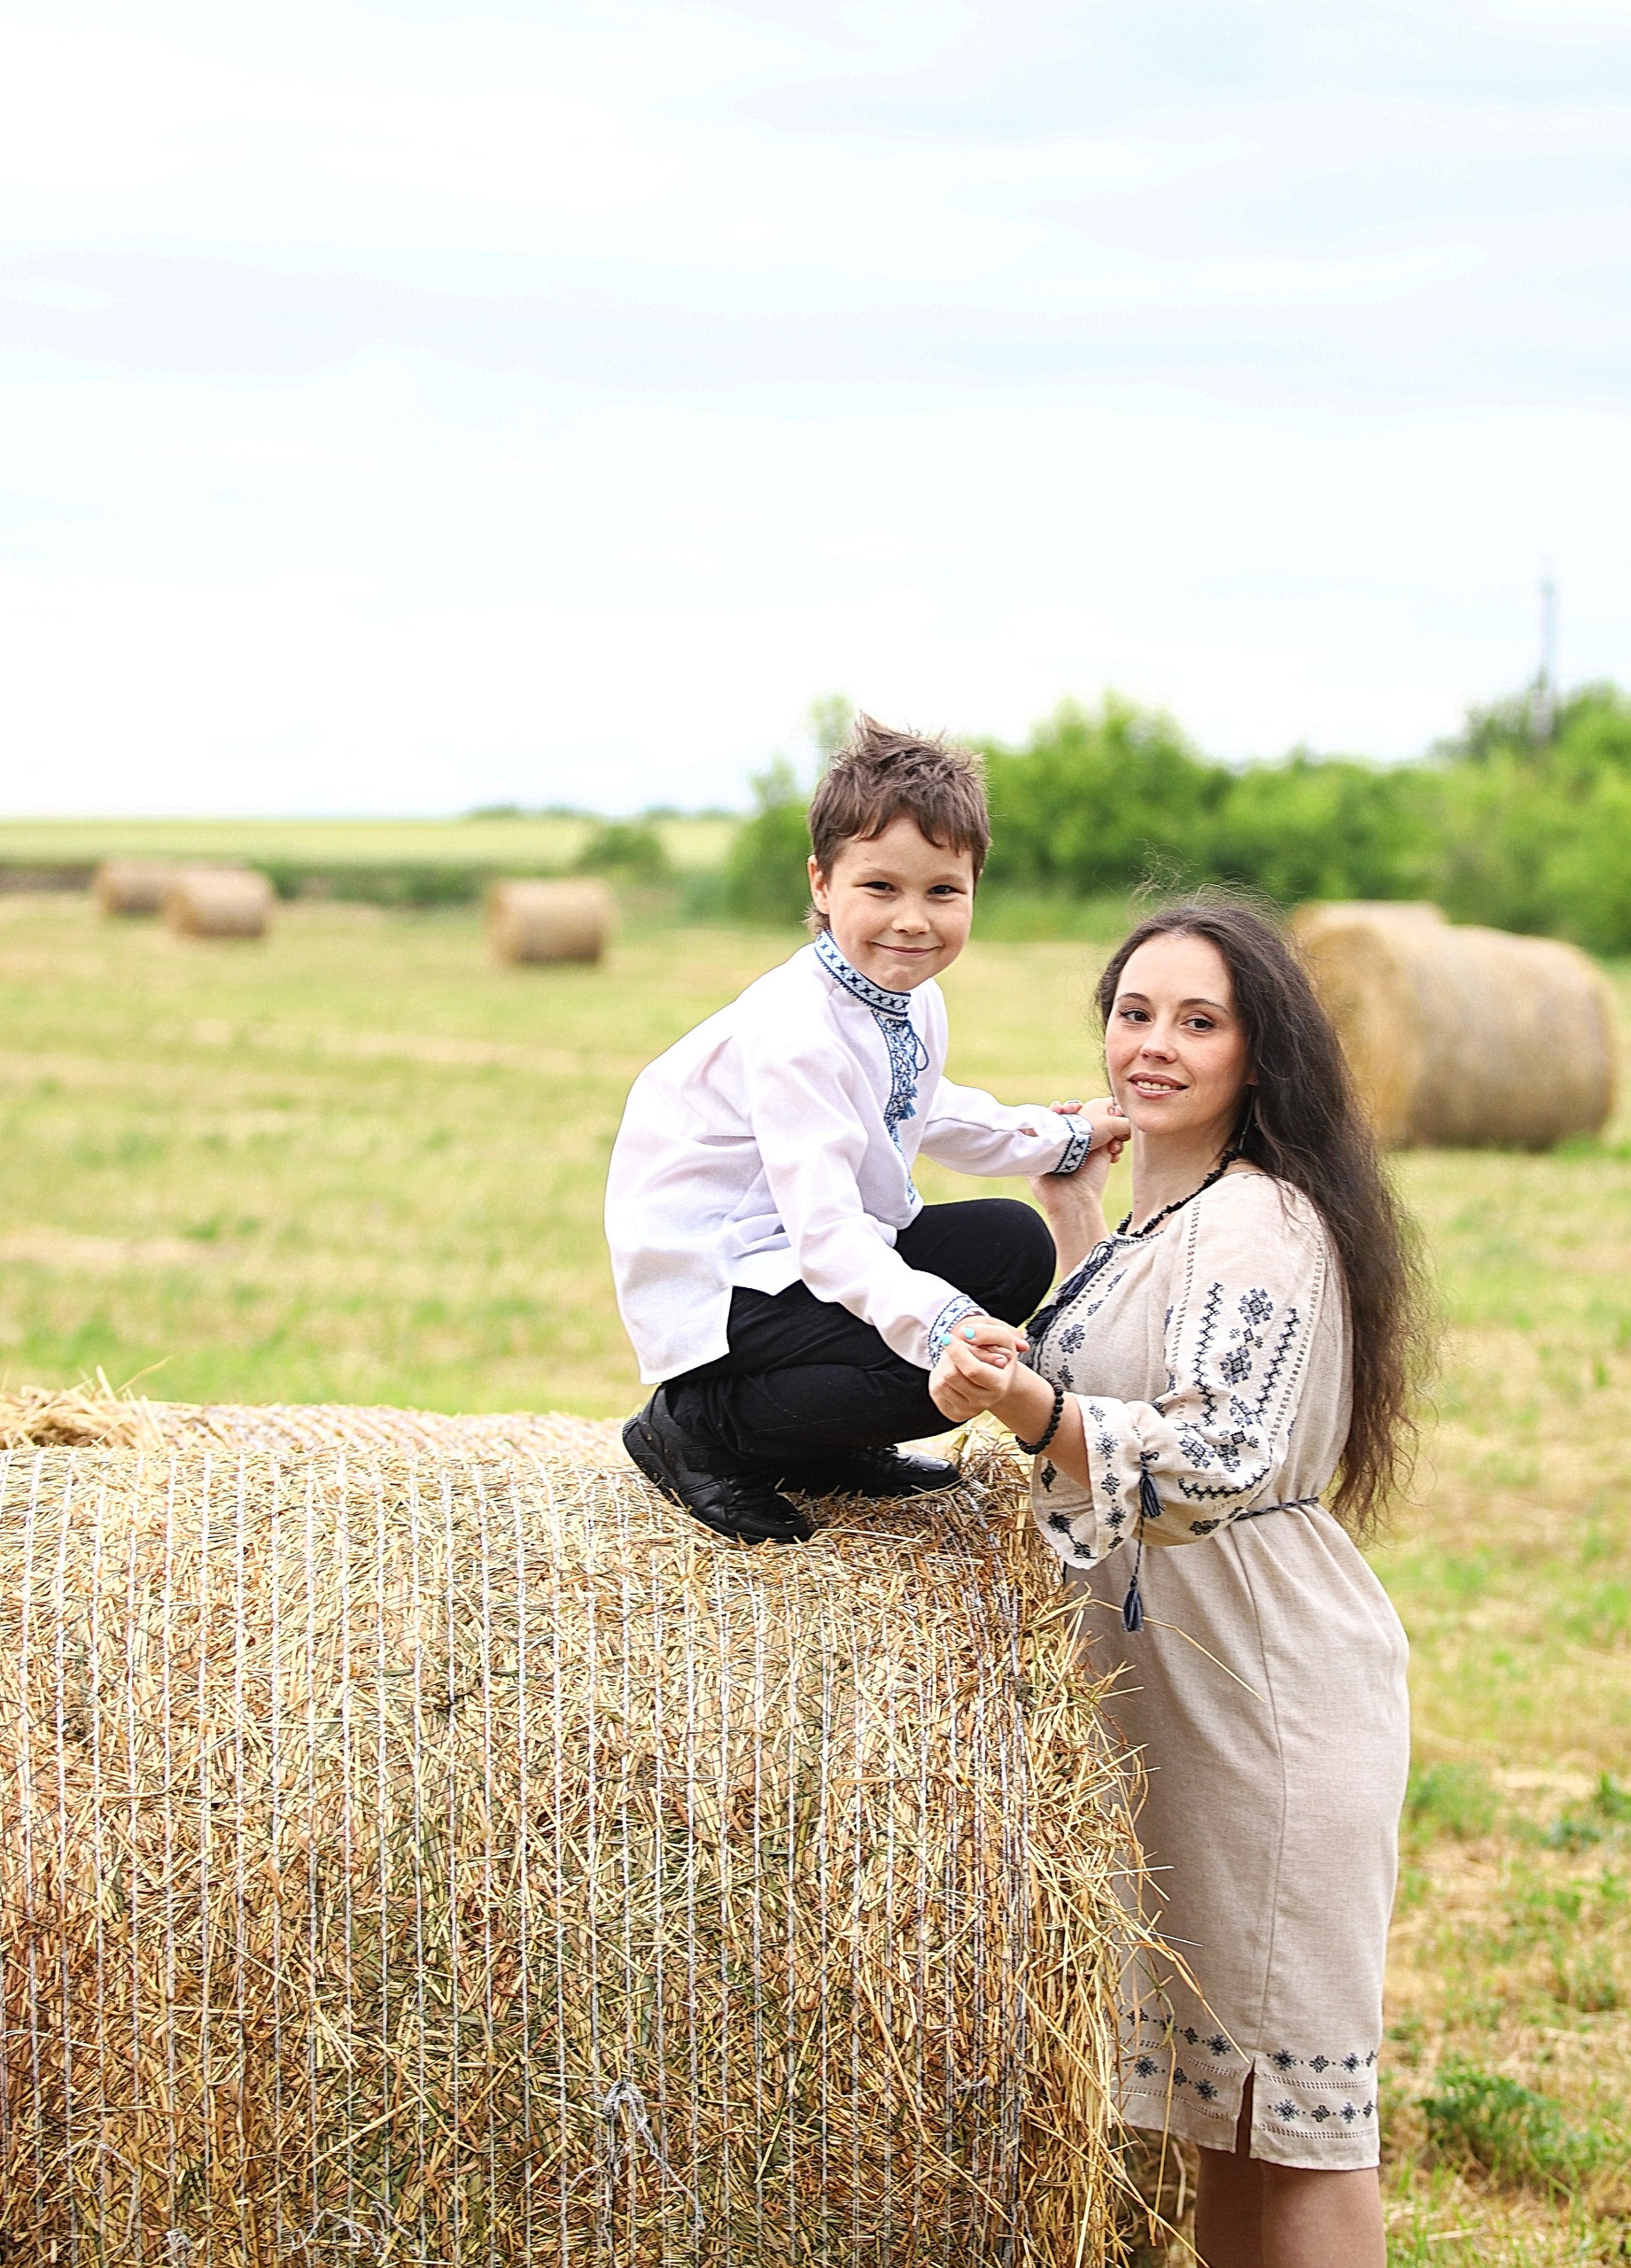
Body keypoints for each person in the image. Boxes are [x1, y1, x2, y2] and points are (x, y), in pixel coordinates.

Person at [929, 900, 1425, 2268]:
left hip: (1267, 1712)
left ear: (1258, 1059)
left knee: (1301, 2120)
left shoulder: (1259, 1220)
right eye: (1134, 1013)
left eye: (1198, 1022)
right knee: (1224, 2109)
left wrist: (1030, 1407)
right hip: (1192, 1720)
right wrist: (1077, 1218)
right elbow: (1132, 1362)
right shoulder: (1177, 1219)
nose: (1154, 1045)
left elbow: (1213, 1453)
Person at [609, 718, 1130, 1545]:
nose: (913, 921)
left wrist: (1059, 1138)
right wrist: (945, 1325)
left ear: (973, 887)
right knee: (924, 1360)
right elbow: (826, 1234)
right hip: (724, 1273)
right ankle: (697, 1427)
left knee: (1011, 1244)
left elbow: (927, 1107)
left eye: (942, 892)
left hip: (795, 1256)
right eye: (880, 889)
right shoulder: (796, 1026)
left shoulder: (909, 996)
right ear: (822, 883)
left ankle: (819, 1444)